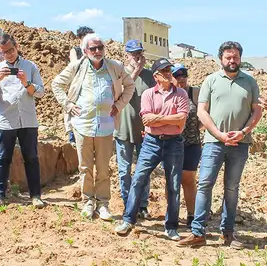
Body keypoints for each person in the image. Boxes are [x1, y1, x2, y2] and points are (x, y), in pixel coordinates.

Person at [178, 41, 262, 249]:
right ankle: (198, 232)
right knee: (205, 184)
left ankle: (228, 233)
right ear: (221, 59)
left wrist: (242, 132)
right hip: (213, 143)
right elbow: (202, 112)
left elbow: (257, 111)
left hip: (240, 144)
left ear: (240, 58)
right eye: (228, 57)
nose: (232, 60)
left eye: (235, 57)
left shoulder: (250, 82)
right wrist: (219, 134)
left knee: (231, 188)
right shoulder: (211, 81)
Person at [51, 33, 134, 220]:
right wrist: (68, 105)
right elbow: (56, 84)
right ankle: (87, 202)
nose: (97, 51)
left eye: (100, 48)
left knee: (103, 168)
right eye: (93, 48)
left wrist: (119, 105)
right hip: (83, 124)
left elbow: (130, 86)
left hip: (106, 125)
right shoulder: (77, 67)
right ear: (85, 51)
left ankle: (103, 204)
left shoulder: (114, 67)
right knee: (85, 167)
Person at [115, 58, 189, 240]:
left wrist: (159, 119)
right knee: (138, 179)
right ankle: (128, 220)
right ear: (155, 75)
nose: (168, 73)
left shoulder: (181, 94)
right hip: (151, 142)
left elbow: (181, 119)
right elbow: (146, 119)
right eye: (163, 71)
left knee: (173, 185)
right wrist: (169, 118)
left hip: (174, 142)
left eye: (169, 70)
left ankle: (171, 226)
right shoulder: (148, 94)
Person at [0, 34, 47, 209]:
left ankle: (35, 196)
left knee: (32, 158)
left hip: (28, 120)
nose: (9, 54)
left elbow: (41, 92)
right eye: (5, 52)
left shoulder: (30, 66)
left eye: (11, 50)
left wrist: (26, 83)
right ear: (0, 52)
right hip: (5, 121)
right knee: (2, 158)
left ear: (17, 46)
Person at [114, 39, 155, 219]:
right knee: (124, 172)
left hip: (144, 132)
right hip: (123, 130)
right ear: (127, 55)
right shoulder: (118, 73)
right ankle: (127, 205)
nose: (137, 56)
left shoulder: (150, 76)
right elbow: (122, 92)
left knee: (143, 172)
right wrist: (137, 70)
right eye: (133, 53)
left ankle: (142, 205)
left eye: (139, 53)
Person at [172, 63, 202, 227]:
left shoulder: (195, 93)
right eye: (177, 76)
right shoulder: (168, 94)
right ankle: (172, 214)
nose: (181, 78)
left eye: (184, 75)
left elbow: (206, 114)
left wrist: (196, 127)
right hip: (171, 144)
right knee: (172, 180)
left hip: (192, 143)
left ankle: (192, 215)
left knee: (188, 179)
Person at [63, 26, 95, 144]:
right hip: (77, 86)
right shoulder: (75, 50)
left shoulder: (94, 51)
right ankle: (72, 137)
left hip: (89, 85)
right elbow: (75, 65)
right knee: (73, 110)